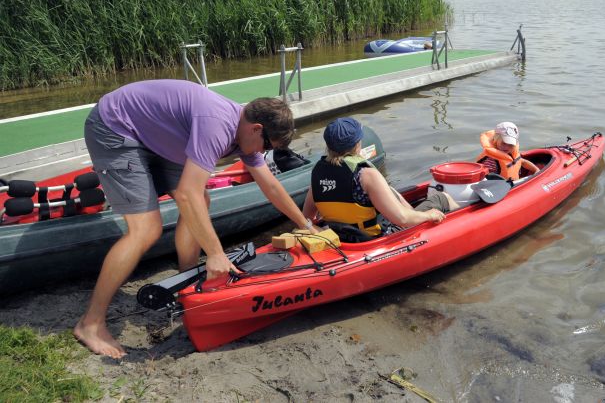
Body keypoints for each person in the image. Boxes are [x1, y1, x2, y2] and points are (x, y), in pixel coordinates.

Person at [73, 79, 315, 359]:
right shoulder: (218, 125)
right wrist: (214, 253)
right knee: (146, 229)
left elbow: (270, 185)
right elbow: (187, 194)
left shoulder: (244, 133)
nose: (262, 153)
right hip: (115, 126)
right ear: (256, 129)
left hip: (152, 131)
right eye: (265, 147)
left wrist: (305, 225)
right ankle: (90, 323)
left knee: (204, 199)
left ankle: (186, 281)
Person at [302, 117, 458, 239]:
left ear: (329, 146)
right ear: (357, 144)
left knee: (391, 191)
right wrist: (429, 214)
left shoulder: (317, 173)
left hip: (341, 238)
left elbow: (308, 217)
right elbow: (402, 219)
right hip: (376, 238)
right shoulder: (366, 175)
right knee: (442, 198)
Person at [475, 122, 540, 180]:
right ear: (495, 139)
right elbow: (484, 179)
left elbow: (522, 162)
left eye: (511, 144)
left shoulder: (511, 152)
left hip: (512, 183)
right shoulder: (490, 160)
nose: (506, 147)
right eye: (504, 143)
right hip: (501, 188)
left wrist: (536, 170)